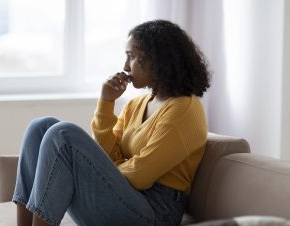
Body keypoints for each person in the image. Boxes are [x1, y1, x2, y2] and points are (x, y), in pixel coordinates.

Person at [12, 19, 211, 226]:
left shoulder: (184, 110)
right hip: (126, 196)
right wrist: (107, 102)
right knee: (41, 126)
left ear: (157, 60)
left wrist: (101, 169)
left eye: (131, 57)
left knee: (63, 134)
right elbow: (109, 153)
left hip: (155, 212)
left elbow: (141, 176)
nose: (125, 66)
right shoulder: (138, 103)